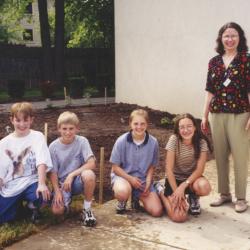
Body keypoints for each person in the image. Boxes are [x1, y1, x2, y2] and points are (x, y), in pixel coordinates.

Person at [201, 22, 250, 213]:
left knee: (240, 157)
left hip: (240, 114)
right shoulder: (214, 62)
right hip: (216, 114)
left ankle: (241, 198)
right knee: (220, 156)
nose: (230, 39)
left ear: (240, 38)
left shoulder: (246, 60)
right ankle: (224, 194)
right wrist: (204, 116)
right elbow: (209, 91)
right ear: (221, 39)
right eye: (226, 36)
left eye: (234, 35)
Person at [0, 102, 52, 224]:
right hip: (12, 185)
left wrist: (42, 184)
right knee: (3, 218)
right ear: (11, 120)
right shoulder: (3, 143)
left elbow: (41, 161)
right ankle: (18, 209)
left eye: (25, 120)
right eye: (18, 120)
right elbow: (1, 170)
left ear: (31, 120)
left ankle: (32, 207)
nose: (22, 124)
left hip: (31, 181)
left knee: (42, 197)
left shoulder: (37, 137)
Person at [155, 113, 212, 221]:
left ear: (195, 127)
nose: (186, 130)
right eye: (182, 127)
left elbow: (200, 170)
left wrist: (183, 186)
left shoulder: (201, 142)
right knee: (179, 217)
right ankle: (160, 190)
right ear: (178, 129)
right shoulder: (174, 140)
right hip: (174, 180)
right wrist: (177, 191)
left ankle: (193, 197)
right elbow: (169, 169)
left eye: (189, 126)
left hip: (191, 180)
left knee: (204, 187)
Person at [110, 109, 163, 217]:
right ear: (130, 124)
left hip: (142, 180)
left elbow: (152, 166)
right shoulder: (121, 141)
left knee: (157, 211)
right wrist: (130, 179)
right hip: (124, 177)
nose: (139, 127)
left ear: (147, 124)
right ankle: (123, 201)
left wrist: (148, 182)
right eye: (136, 123)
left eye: (142, 123)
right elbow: (115, 168)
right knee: (123, 191)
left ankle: (136, 198)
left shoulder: (153, 142)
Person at [49, 111, 97, 227]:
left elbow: (92, 163)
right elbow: (53, 172)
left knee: (89, 174)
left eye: (71, 128)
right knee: (57, 211)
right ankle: (66, 207)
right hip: (62, 184)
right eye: (64, 129)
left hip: (76, 181)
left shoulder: (82, 141)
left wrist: (72, 175)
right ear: (59, 129)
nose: (68, 132)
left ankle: (87, 209)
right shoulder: (53, 147)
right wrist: (57, 191)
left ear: (77, 128)